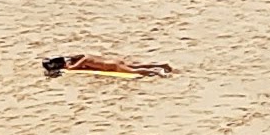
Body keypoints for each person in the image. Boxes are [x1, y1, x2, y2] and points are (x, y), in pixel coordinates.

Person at [44, 54, 174, 77]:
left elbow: (72, 68)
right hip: (113, 61)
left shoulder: (84, 60)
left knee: (135, 71)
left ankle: (157, 71)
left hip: (112, 67)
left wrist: (65, 67)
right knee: (136, 65)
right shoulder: (87, 56)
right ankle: (162, 64)